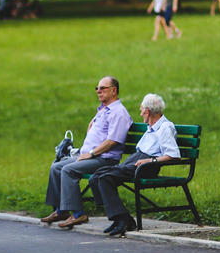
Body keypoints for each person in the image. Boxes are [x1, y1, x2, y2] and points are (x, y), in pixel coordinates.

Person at [41, 76, 133, 228]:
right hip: (91, 156)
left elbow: (113, 141)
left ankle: (78, 214)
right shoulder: (103, 110)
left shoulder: (118, 112)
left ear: (114, 90)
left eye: (102, 88)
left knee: (68, 170)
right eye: (97, 88)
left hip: (104, 158)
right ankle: (61, 210)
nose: (98, 91)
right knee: (56, 166)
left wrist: (91, 154)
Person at [88, 94, 181, 236]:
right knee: (96, 176)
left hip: (147, 166)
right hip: (137, 161)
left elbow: (173, 155)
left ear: (147, 112)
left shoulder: (165, 127)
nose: (140, 113)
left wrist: (150, 161)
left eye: (141, 110)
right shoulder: (152, 127)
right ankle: (118, 217)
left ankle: (124, 219)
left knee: (105, 178)